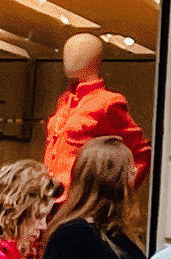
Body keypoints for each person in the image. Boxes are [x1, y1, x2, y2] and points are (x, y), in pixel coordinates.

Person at [44, 34, 152, 193]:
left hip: (78, 200)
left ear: (95, 57)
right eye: (67, 52)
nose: (69, 58)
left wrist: (116, 196)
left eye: (78, 52)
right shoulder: (65, 101)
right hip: (48, 199)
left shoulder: (109, 102)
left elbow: (142, 152)